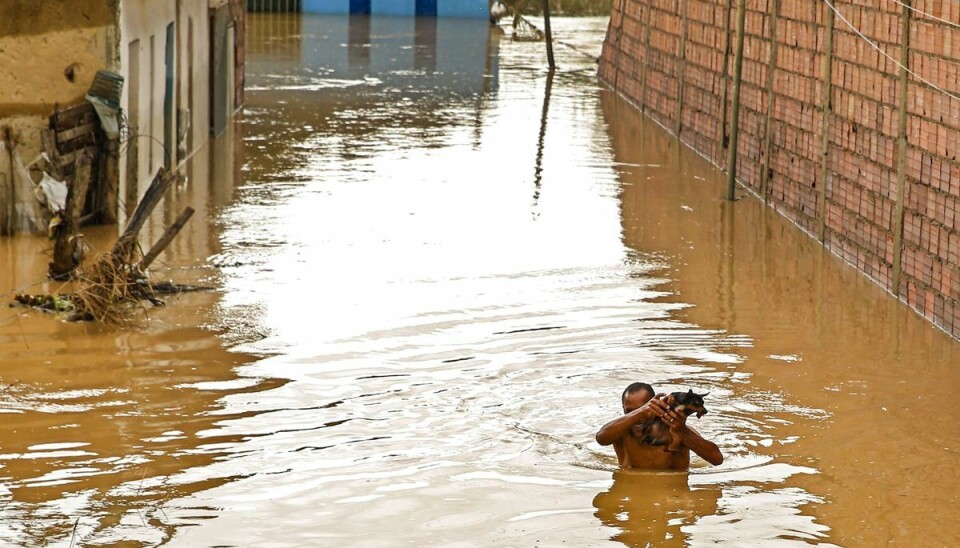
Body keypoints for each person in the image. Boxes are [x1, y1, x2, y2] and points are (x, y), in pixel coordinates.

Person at [595, 382, 723, 469]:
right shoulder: (620, 430)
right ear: (623, 409)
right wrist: (641, 412)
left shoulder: (676, 430)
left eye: (644, 408)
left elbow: (717, 459)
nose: (639, 417)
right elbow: (601, 438)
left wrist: (682, 432)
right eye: (630, 411)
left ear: (657, 405)